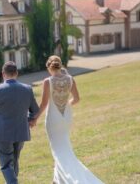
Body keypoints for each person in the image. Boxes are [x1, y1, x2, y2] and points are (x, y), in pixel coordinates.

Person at [32, 55, 104, 184]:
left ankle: (69, 179)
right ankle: (57, 180)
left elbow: (43, 104)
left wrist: (35, 118)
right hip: (65, 118)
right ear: (60, 65)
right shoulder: (70, 79)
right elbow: (76, 99)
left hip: (53, 119)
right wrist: (67, 104)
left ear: (49, 67)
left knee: (59, 150)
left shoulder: (48, 81)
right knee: (63, 147)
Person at [0, 61, 39, 184]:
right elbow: (36, 110)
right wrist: (28, 120)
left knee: (7, 165)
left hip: (3, 134)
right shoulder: (27, 89)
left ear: (3, 74)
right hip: (21, 132)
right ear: (16, 73)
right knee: (14, 162)